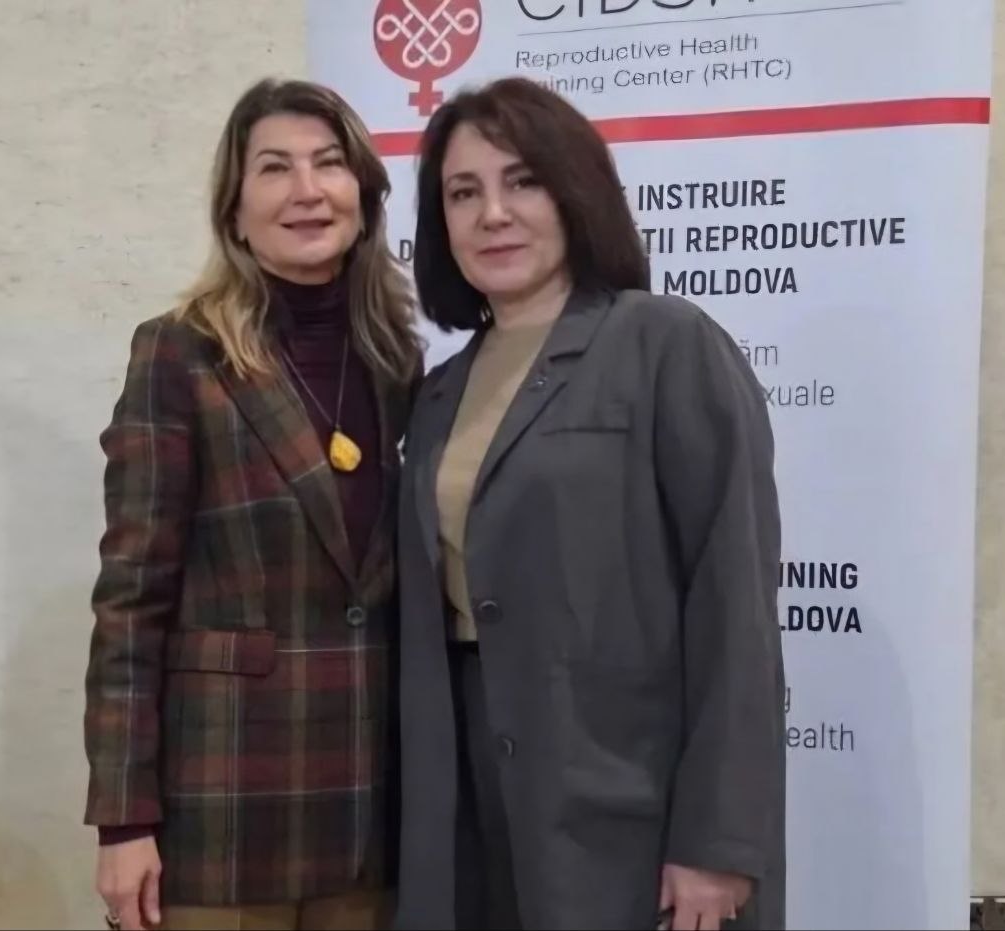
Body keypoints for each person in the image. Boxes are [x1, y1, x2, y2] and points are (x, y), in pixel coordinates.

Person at [394, 77, 786, 931]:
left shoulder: (665, 343)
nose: (493, 213)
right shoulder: (436, 394)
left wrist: (719, 839)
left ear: (575, 191)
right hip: (468, 813)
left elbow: (736, 607)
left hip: (625, 810)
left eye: (523, 181)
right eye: (463, 193)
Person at [83, 77, 423, 931]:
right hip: (224, 809)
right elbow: (131, 599)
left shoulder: (397, 359)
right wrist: (124, 819)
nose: (307, 190)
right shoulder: (178, 354)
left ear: (363, 195)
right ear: (234, 211)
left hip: (370, 808)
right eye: (274, 168)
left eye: (328, 164)